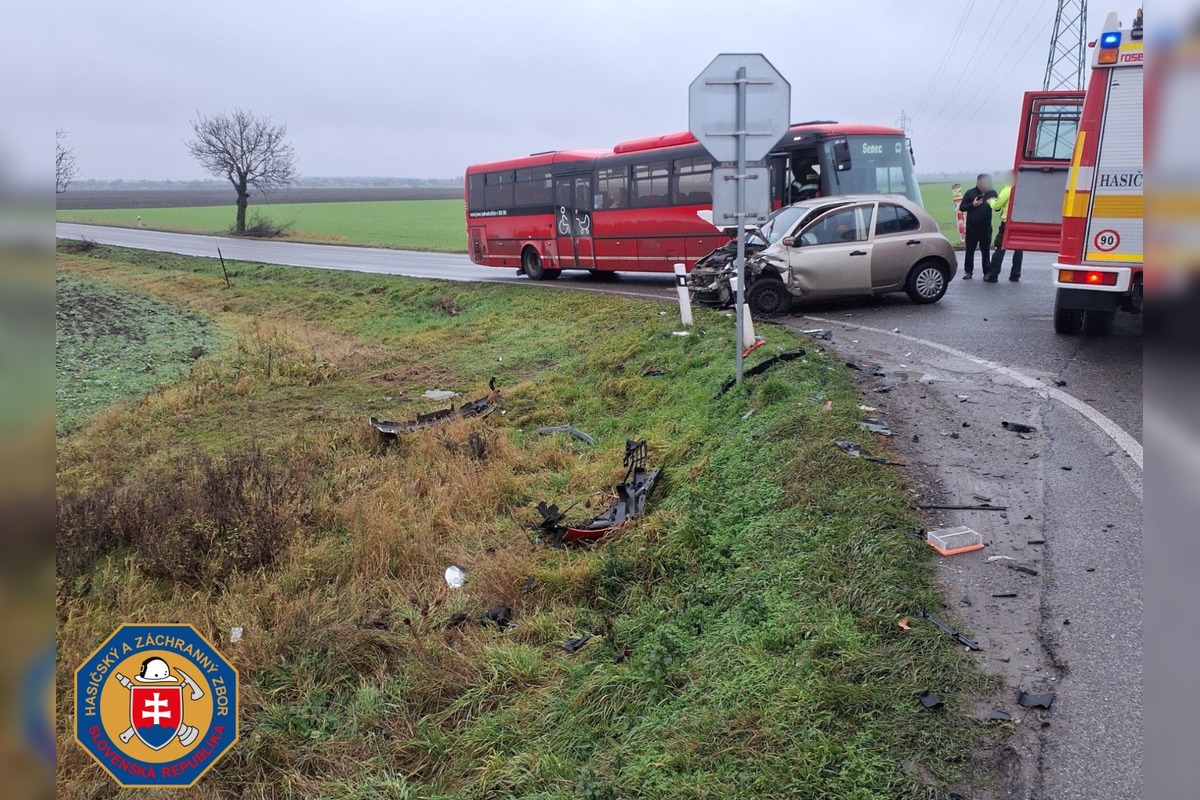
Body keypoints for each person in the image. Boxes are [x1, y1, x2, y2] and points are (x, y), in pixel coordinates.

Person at [958, 173, 998, 280]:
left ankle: (986, 272)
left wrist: (993, 202)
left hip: (985, 228)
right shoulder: (970, 193)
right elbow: (962, 207)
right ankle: (968, 272)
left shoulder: (992, 193)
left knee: (985, 251)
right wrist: (973, 205)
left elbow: (997, 208)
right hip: (972, 228)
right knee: (970, 250)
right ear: (978, 182)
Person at [988, 171, 1023, 281]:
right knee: (1018, 250)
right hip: (1020, 223)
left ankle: (993, 275)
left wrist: (990, 201)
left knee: (1000, 248)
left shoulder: (1008, 190)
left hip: (1007, 224)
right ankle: (1015, 275)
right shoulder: (1024, 189)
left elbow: (996, 205)